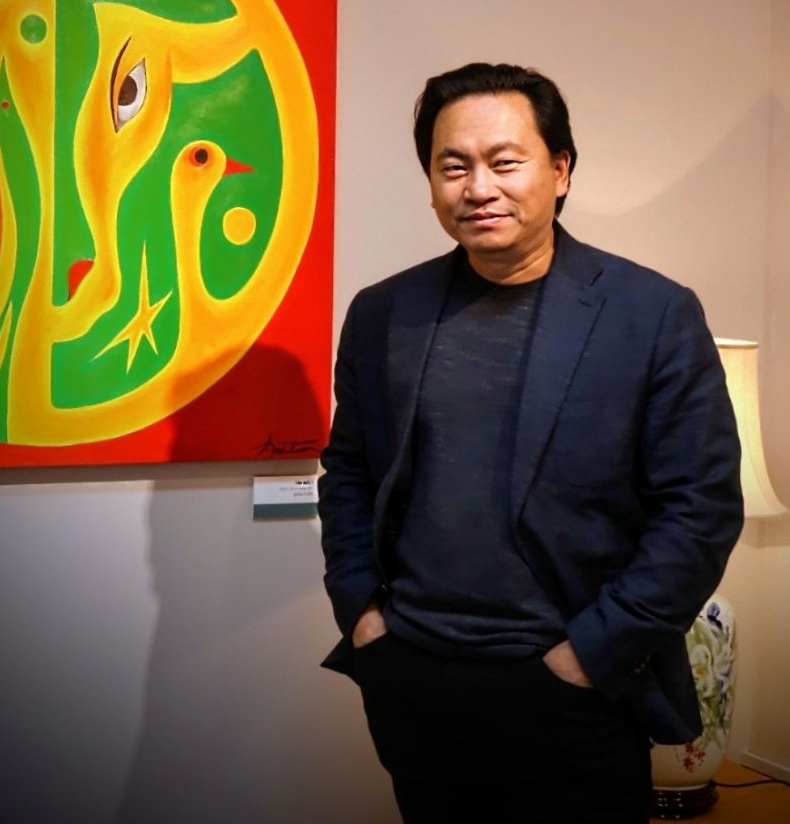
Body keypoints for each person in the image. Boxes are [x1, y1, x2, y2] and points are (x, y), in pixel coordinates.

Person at [317, 62, 744, 824]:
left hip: (570, 687)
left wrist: (590, 654)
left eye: (504, 161)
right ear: (431, 183)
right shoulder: (384, 313)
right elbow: (348, 471)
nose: (478, 187)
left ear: (561, 170)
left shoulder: (650, 314)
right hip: (414, 673)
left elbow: (700, 510)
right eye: (454, 167)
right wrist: (364, 616)